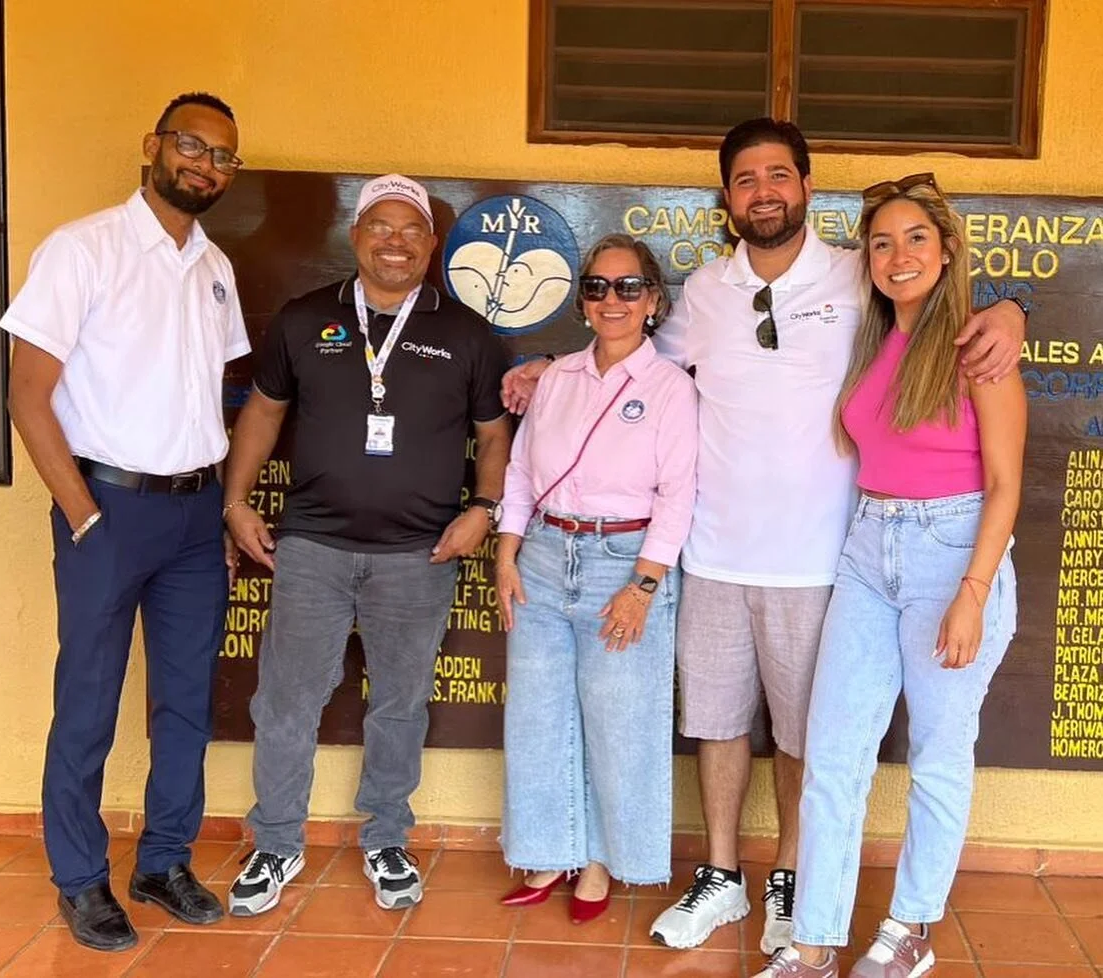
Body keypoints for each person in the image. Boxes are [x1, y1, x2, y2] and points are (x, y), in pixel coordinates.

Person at [502, 118, 1027, 954]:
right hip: (712, 551)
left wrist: (1012, 308)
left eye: (779, 176)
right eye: (746, 180)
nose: (764, 192)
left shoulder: (863, 274)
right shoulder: (705, 291)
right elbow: (629, 346)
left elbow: (943, 295)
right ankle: (721, 878)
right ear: (726, 199)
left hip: (826, 560)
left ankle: (792, 880)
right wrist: (545, 367)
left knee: (805, 738)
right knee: (715, 722)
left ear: (808, 188)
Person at [752, 174, 1024, 978]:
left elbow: (1008, 484)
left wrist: (973, 593)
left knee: (940, 752)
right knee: (834, 753)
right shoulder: (874, 340)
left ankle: (909, 928)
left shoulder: (980, 345)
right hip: (869, 549)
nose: (897, 255)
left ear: (946, 252)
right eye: (880, 242)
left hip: (954, 552)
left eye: (914, 239)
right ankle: (811, 945)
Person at [224, 174, 512, 917]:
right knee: (287, 702)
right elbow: (262, 411)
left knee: (401, 704)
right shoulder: (304, 319)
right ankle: (276, 842)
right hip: (312, 548)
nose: (395, 241)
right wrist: (234, 500)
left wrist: (484, 507)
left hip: (419, 554)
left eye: (411, 228)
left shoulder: (467, 333)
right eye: (380, 226)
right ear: (355, 237)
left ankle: (387, 836)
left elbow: (493, 435)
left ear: (432, 243)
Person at [1, 92, 248, 951]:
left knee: (185, 702)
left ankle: (164, 861)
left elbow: (211, 393)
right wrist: (81, 513)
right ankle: (79, 878)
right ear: (153, 145)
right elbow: (27, 395)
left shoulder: (215, 268)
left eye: (222, 156)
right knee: (89, 703)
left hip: (192, 517)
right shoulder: (84, 249)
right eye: (191, 145)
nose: (204, 165)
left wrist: (217, 503)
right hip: (107, 510)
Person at [495, 234, 697, 924]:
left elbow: (679, 494)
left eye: (628, 287)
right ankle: (551, 849)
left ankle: (607, 858)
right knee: (539, 714)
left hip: (624, 562)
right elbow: (520, 473)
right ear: (582, 301)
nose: (612, 300)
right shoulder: (555, 379)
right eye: (598, 287)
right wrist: (505, 553)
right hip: (545, 557)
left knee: (621, 720)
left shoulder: (670, 388)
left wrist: (643, 587)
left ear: (653, 301)